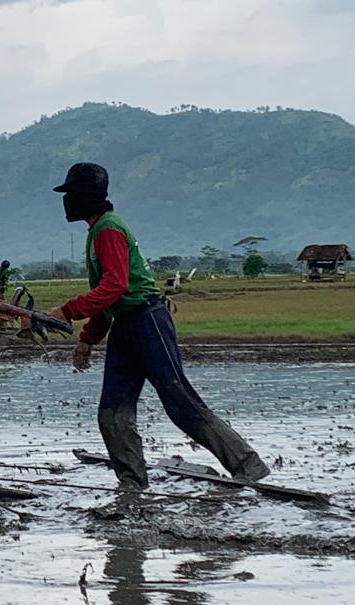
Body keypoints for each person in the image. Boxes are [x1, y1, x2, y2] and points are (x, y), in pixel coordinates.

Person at [46, 162, 270, 490]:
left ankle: (248, 465)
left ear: (85, 197)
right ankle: (132, 483)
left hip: (147, 320)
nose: (66, 202)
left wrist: (66, 311)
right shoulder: (97, 231)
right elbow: (109, 300)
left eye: (70, 194)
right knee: (112, 411)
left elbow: (114, 287)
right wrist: (88, 339)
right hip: (124, 326)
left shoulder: (108, 229)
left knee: (180, 402)